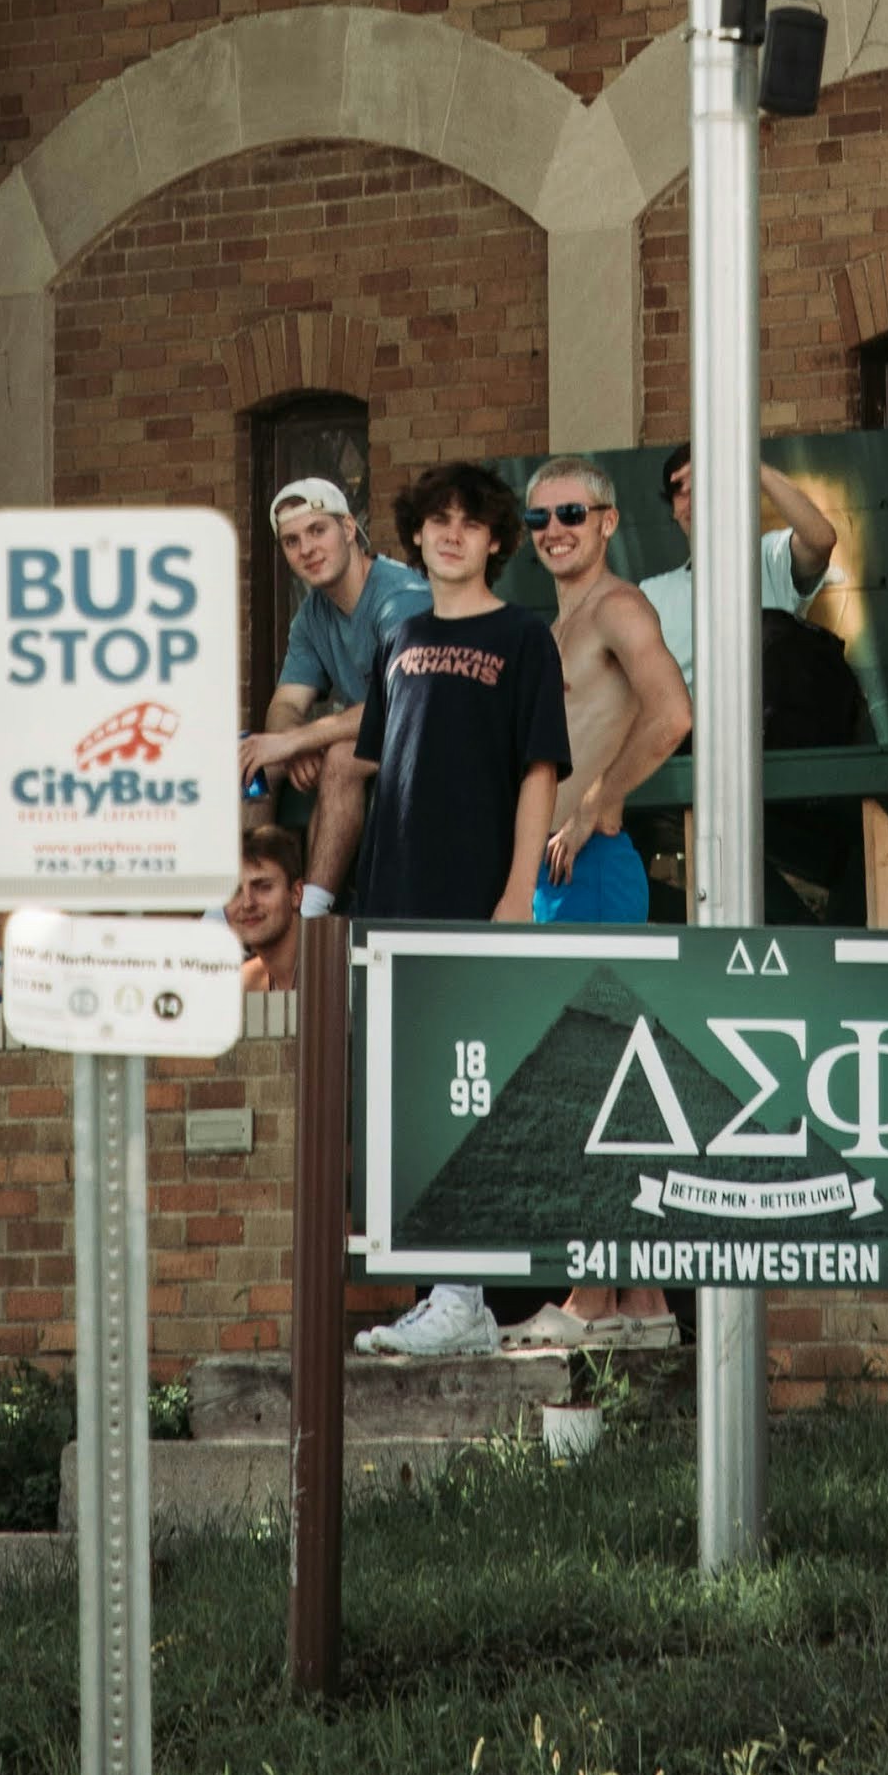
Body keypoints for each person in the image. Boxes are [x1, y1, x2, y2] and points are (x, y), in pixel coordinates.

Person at [339, 463, 569, 1368]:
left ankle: (466, 1294)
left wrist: (516, 895)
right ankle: (448, 1292)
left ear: (496, 540)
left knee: (469, 1091)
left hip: (477, 899)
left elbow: (539, 771)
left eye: (470, 523)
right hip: (393, 899)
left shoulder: (524, 637)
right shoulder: (398, 632)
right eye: (436, 520)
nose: (451, 534)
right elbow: (374, 770)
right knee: (413, 1095)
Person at [512, 460, 694, 1351]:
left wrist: (600, 801)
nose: (555, 528)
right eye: (540, 516)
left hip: (595, 865)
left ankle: (590, 1297)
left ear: (609, 519)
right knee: (616, 1077)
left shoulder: (618, 608)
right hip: (556, 869)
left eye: (572, 512)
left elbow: (671, 712)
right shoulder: (560, 622)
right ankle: (643, 1304)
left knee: (594, 1073)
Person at [237, 478, 429, 807]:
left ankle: (318, 863)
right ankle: (255, 860)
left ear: (349, 528)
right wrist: (293, 744)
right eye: (291, 541)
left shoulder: (400, 598)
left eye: (317, 530)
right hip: (377, 737)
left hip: (432, 733)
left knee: (341, 757)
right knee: (254, 761)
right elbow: (285, 706)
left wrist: (298, 739)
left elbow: (397, 705)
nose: (306, 549)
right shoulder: (311, 616)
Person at [636, 449, 842, 685]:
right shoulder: (651, 593)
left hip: (763, 720)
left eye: (703, 484)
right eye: (680, 492)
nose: (693, 500)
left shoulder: (768, 559)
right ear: (673, 510)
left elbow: (821, 540)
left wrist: (747, 463)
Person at [227, 815, 306, 998]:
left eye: (263, 887)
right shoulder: (241, 985)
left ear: (296, 894)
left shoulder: (341, 971)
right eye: (234, 892)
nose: (247, 903)